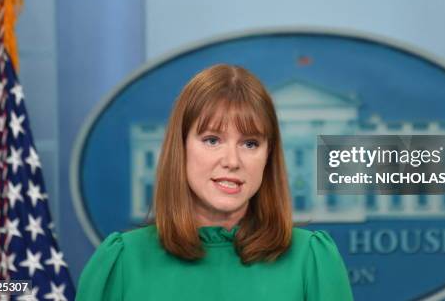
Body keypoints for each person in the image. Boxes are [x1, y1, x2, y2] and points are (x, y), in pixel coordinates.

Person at [76, 64, 353, 301]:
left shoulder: (311, 260)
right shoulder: (122, 262)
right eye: (212, 140)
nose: (232, 160)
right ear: (181, 148)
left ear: (268, 156)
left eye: (250, 143)